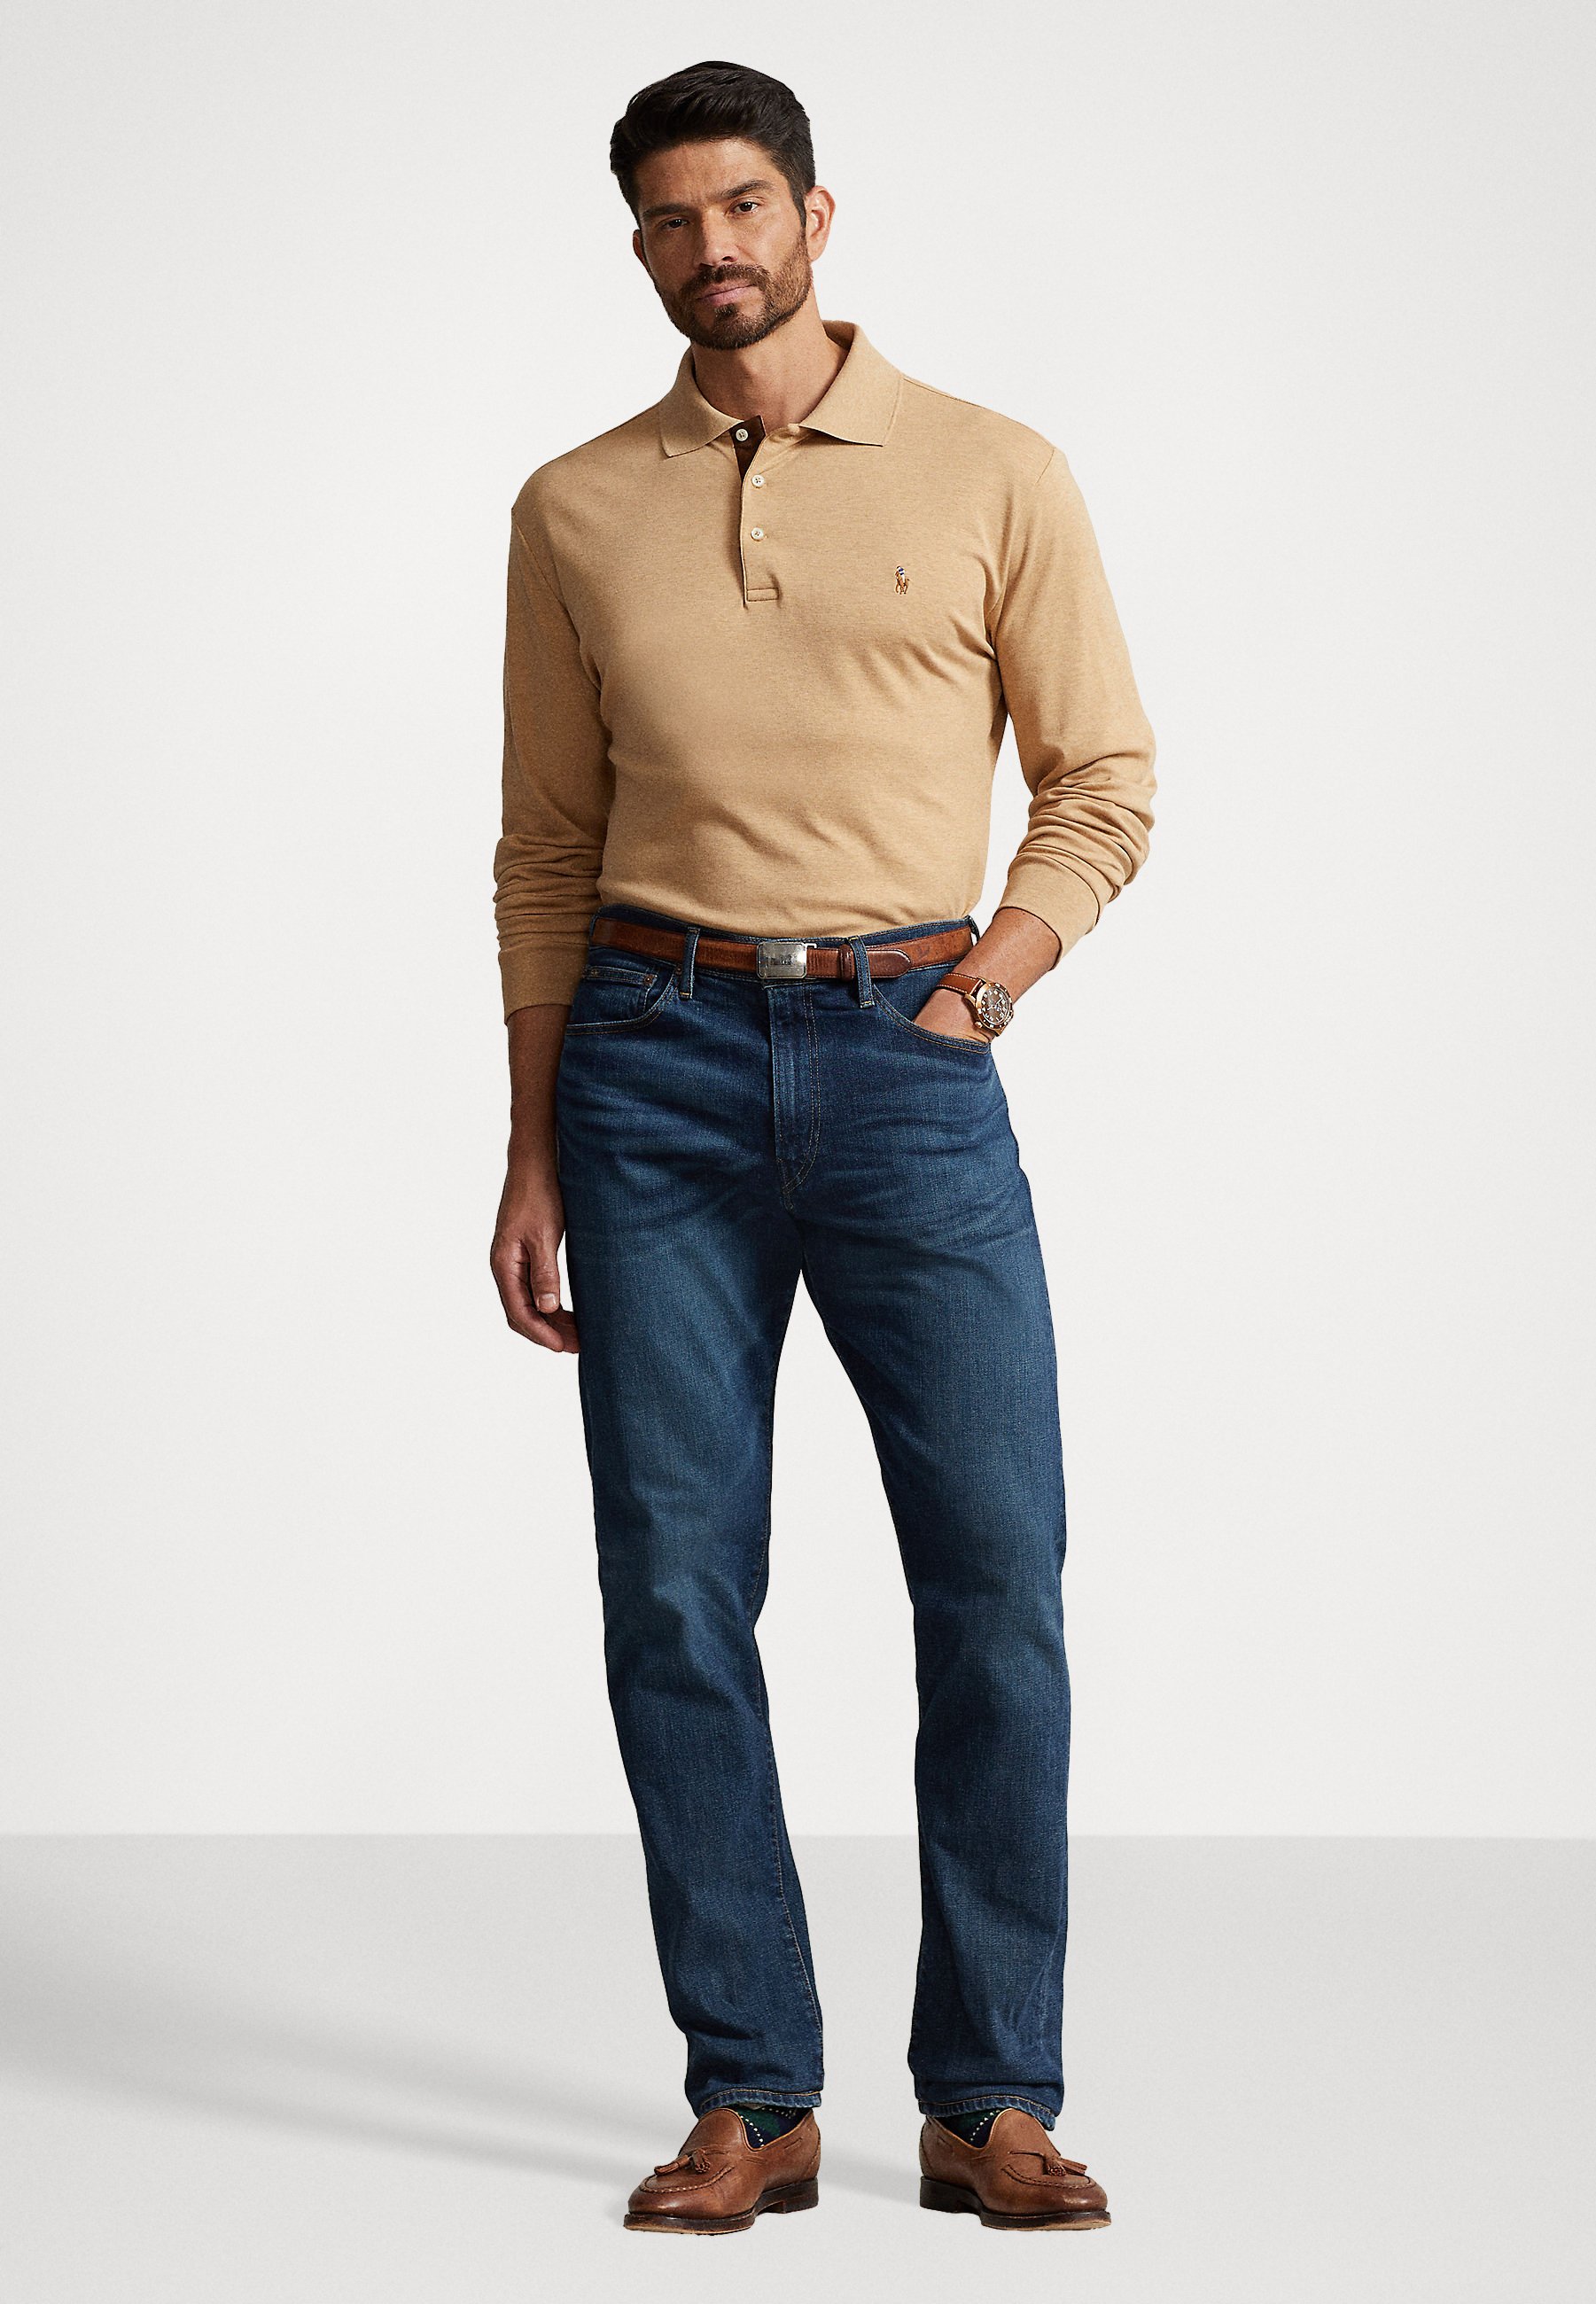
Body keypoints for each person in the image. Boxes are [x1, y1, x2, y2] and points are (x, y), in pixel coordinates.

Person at [489, 58, 1155, 2238]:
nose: (716, 248)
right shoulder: (574, 506)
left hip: (906, 1053)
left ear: (816, 216)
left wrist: (983, 989)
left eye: (747, 206)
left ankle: (992, 2099)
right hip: (648, 1064)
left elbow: (1102, 779)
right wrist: (531, 1144)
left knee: (996, 1576)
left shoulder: (992, 469)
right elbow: (545, 846)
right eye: (674, 219)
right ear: (639, 245)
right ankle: (750, 2092)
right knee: (675, 1587)